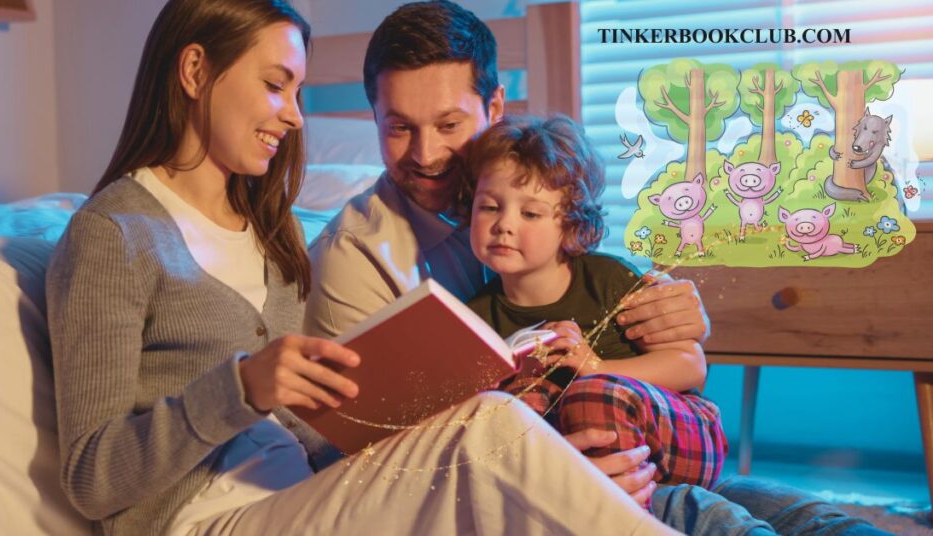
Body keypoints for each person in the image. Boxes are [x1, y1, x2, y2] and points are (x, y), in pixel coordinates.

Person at [46, 1, 676, 534]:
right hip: (206, 518)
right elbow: (91, 481)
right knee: (494, 428)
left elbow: (324, 441)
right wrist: (239, 391)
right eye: (276, 84)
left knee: (695, 496)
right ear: (193, 69)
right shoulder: (114, 235)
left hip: (312, 498)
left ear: (494, 108)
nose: (295, 115)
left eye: (296, 90)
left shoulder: (275, 233)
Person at [306, 2, 890, 535]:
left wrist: (677, 315)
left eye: (450, 125)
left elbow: (669, 343)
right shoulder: (352, 258)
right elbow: (375, 456)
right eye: (399, 127)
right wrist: (563, 474)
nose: (427, 154)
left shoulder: (532, 180)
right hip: (517, 470)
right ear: (374, 118)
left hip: (633, 429)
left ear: (495, 108)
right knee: (700, 509)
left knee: (786, 508)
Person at [463, 114, 727, 490]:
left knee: (591, 393)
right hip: (588, 462)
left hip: (681, 435)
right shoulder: (475, 317)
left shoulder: (607, 281)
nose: (504, 224)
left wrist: (596, 365)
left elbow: (690, 366)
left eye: (530, 213)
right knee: (516, 406)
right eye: (489, 207)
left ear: (571, 224)